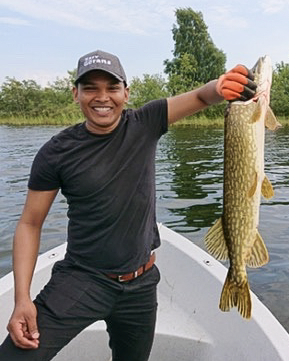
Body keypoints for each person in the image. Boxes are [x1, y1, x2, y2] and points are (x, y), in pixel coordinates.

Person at [0, 49, 257, 361]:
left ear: (126, 92)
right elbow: (29, 223)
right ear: (75, 94)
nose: (102, 97)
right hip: (83, 278)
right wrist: (22, 298)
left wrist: (220, 87)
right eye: (90, 87)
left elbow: (202, 97)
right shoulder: (55, 153)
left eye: (111, 87)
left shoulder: (145, 122)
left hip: (141, 285)